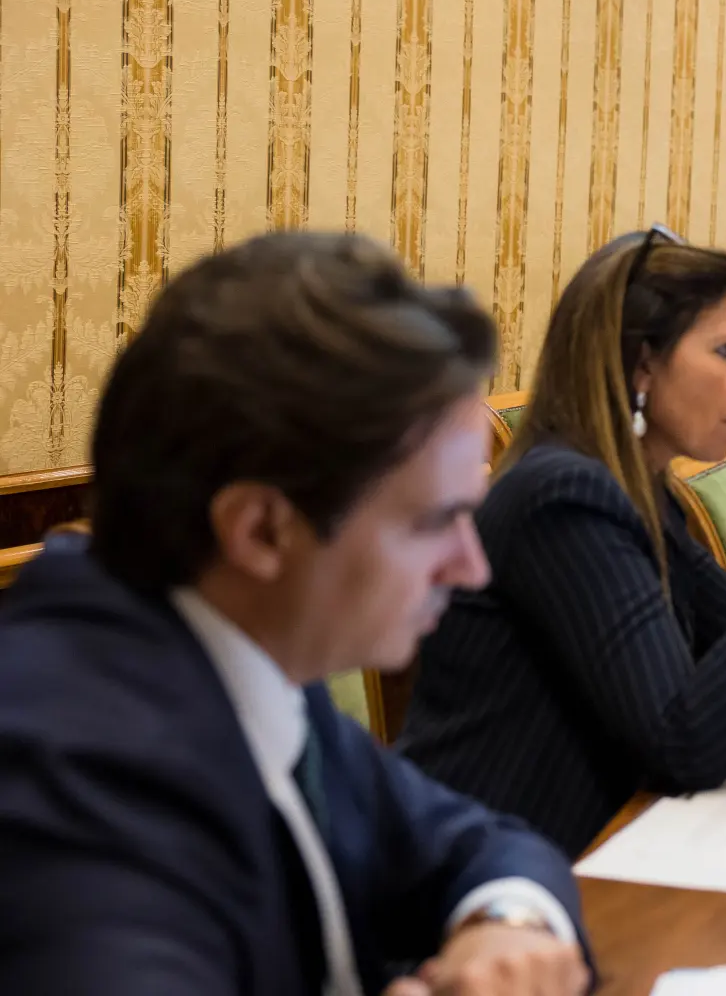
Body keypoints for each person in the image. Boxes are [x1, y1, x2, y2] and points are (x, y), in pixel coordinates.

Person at [0, 234, 589, 995]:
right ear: (261, 532)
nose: (471, 567)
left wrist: (505, 922)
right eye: (435, 521)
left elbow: (475, 840)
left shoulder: (250, 648)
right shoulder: (72, 777)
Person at [400, 229, 726, 859]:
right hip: (492, 876)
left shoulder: (639, 490)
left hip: (593, 849)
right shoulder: (562, 498)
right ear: (640, 366)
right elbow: (685, 744)